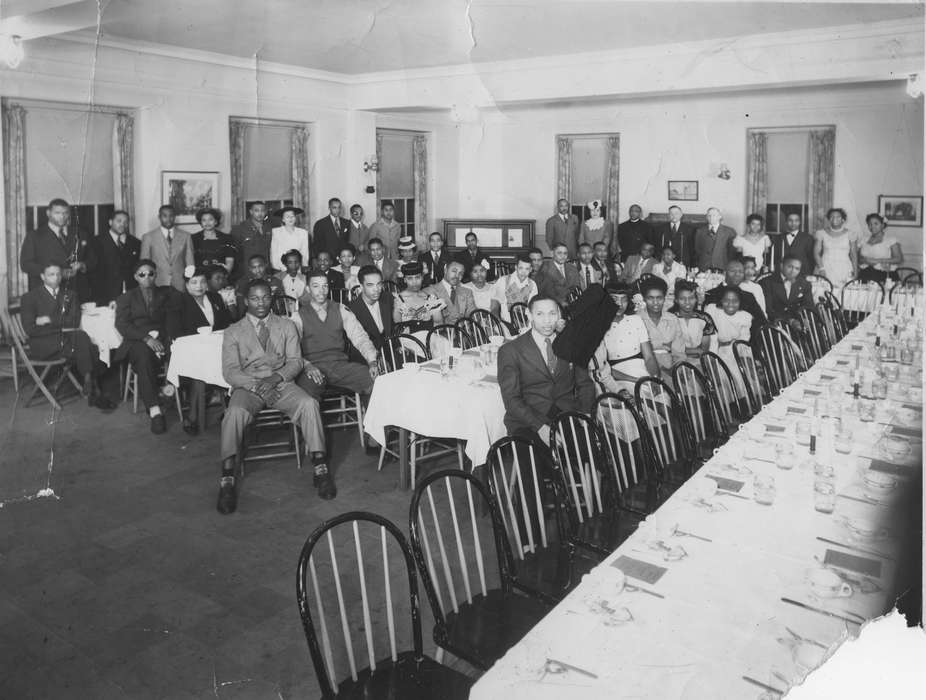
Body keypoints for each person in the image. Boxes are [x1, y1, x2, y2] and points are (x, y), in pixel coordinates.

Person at [218, 279, 330, 514]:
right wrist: (256, 384)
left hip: (280, 383)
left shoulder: (286, 325)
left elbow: (295, 361)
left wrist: (275, 379)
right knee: (234, 413)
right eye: (255, 298)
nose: (261, 303)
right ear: (246, 300)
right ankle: (227, 477)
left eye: (266, 297)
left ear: (272, 298)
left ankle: (320, 467)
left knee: (309, 404)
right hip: (249, 387)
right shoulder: (233, 331)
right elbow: (230, 371)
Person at [497, 295, 595, 444]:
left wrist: (586, 413)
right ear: (529, 315)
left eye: (552, 313)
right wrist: (540, 428)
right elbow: (511, 399)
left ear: (559, 314)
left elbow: (585, 384)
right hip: (528, 421)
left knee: (594, 452)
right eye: (540, 314)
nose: (547, 321)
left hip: (566, 414)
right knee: (540, 462)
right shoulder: (510, 350)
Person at [19, 262, 115, 410]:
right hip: (43, 344)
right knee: (87, 343)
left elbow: (75, 321)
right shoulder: (30, 297)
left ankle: (91, 385)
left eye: (58, 274)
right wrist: (60, 324)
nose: (56, 278)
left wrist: (49, 320)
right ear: (43, 277)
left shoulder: (70, 295)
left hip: (66, 339)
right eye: (51, 274)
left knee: (82, 337)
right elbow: (30, 329)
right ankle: (92, 385)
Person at [167, 265, 233, 434]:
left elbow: (226, 322)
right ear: (187, 285)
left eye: (203, 282)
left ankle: (230, 409)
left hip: (217, 348)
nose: (199, 286)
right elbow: (174, 331)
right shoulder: (179, 302)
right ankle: (194, 417)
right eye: (194, 282)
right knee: (199, 374)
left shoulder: (215, 297)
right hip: (192, 352)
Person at [295, 271, 379, 405]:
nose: (321, 291)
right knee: (306, 396)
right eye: (316, 286)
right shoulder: (297, 316)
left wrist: (372, 361)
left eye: (325, 286)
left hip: (340, 366)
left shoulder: (340, 309)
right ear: (308, 289)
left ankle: (372, 425)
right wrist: (307, 366)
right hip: (312, 368)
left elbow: (360, 337)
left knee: (377, 380)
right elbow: (291, 351)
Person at [113, 259, 173, 434]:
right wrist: (147, 338)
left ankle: (179, 398)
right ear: (136, 277)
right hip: (137, 341)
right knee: (144, 357)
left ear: (156, 275)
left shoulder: (166, 293)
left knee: (182, 351)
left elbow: (172, 319)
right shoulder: (126, 298)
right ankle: (155, 410)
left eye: (151, 274)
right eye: (142, 274)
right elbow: (122, 325)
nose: (147, 278)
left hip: (162, 338)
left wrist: (164, 338)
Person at [592, 282, 660, 394]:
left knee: (664, 399)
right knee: (642, 400)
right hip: (617, 377)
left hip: (643, 370)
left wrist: (655, 379)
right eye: (614, 299)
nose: (620, 304)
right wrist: (636, 380)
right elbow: (603, 369)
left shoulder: (636, 320)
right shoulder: (599, 327)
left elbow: (649, 357)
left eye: (624, 299)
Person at [20, 198, 92, 301]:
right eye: (57, 213)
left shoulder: (80, 233)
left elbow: (93, 259)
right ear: (48, 213)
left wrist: (82, 265)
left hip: (77, 293)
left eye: (65, 213)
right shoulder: (34, 236)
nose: (62, 217)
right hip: (48, 295)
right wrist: (55, 272)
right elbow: (25, 264)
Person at [706, 287, 752, 398]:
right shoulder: (713, 311)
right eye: (726, 300)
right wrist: (713, 361)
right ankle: (728, 408)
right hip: (718, 351)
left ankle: (744, 403)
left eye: (735, 301)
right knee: (722, 376)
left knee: (741, 376)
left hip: (735, 352)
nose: (730, 304)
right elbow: (712, 340)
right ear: (721, 300)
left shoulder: (744, 316)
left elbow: (743, 342)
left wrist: (746, 361)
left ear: (740, 302)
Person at [87, 209, 140, 305]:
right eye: (119, 221)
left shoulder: (135, 243)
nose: (122, 224)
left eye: (125, 222)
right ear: (110, 222)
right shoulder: (96, 242)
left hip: (130, 294)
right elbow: (92, 268)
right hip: (104, 294)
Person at [703, 258, 767, 336]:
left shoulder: (748, 297)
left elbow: (761, 323)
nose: (737, 274)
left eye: (740, 272)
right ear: (725, 273)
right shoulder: (712, 294)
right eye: (733, 271)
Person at [639, 277, 685, 381]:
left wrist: (677, 368)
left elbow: (679, 351)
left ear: (664, 298)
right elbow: (639, 352)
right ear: (644, 299)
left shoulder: (672, 319)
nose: (655, 302)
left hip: (671, 364)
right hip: (646, 366)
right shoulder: (637, 320)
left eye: (659, 298)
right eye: (650, 298)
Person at [140, 205, 195, 292]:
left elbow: (190, 262)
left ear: (175, 217)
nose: (168, 219)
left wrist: (189, 281)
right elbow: (144, 264)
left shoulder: (186, 236)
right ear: (159, 217)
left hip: (180, 283)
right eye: (164, 216)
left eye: (171, 215)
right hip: (157, 282)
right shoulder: (148, 237)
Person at [760, 254, 814, 333]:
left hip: (798, 324)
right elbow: (768, 310)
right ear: (781, 266)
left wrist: (805, 319)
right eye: (790, 267)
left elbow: (809, 306)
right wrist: (790, 321)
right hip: (775, 325)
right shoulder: (767, 283)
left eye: (797, 268)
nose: (793, 271)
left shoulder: (804, 284)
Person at [349, 265, 394, 351]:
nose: (376, 289)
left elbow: (393, 327)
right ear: (361, 286)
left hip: (390, 351)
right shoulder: (352, 310)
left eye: (379, 284)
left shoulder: (388, 298)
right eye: (370, 285)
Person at [813, 207, 859, 289]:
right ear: (828, 219)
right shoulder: (821, 233)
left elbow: (853, 255)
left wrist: (855, 273)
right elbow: (816, 253)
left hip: (844, 267)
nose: (835, 219)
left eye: (838, 217)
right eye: (832, 217)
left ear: (843, 219)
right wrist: (821, 268)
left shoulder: (851, 234)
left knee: (844, 294)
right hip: (825, 266)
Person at [671, 281, 715, 359]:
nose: (687, 302)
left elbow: (704, 349)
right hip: (675, 362)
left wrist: (687, 351)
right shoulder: (670, 319)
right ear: (676, 300)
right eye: (682, 299)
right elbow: (670, 348)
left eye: (691, 298)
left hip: (698, 361)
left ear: (696, 299)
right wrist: (694, 351)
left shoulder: (704, 318)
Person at [230, 201, 273, 281]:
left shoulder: (269, 228)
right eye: (256, 210)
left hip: (265, 270)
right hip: (246, 271)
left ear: (266, 212)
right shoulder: (240, 228)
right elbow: (234, 253)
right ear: (251, 212)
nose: (260, 213)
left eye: (262, 210)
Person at [423, 260, 476, 324]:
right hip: (441, 333)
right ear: (445, 269)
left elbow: (473, 315)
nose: (457, 276)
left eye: (461, 273)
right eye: (454, 271)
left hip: (464, 332)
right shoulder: (428, 292)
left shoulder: (467, 292)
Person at [858, 213, 904, 283]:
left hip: (884, 274)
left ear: (882, 225)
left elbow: (898, 259)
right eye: (870, 224)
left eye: (876, 224)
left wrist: (876, 261)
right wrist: (865, 261)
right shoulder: (863, 240)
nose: (872, 226)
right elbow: (856, 256)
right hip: (865, 274)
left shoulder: (891, 240)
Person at [394, 262, 440, 329]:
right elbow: (397, 327)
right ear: (405, 280)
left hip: (428, 336)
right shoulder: (398, 300)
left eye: (417, 277)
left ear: (422, 278)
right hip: (408, 338)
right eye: (410, 278)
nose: (414, 282)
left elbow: (439, 324)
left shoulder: (430, 298)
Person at [191, 208, 237, 274]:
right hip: (200, 276)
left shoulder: (227, 238)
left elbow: (229, 261)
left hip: (220, 276)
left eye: (210, 219)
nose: (207, 223)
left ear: (216, 221)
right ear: (200, 222)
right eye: (204, 220)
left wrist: (224, 275)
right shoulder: (193, 238)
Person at [498, 254, 539, 323]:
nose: (523, 272)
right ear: (516, 267)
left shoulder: (532, 284)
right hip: (505, 320)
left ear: (531, 270)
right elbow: (502, 305)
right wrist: (510, 323)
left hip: (523, 320)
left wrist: (528, 323)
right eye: (521, 268)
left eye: (527, 269)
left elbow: (531, 307)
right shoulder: (503, 280)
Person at [270, 206, 310, 272]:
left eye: (292, 216)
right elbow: (274, 253)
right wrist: (279, 269)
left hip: (297, 269)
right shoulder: (276, 232)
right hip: (281, 269)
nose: (290, 219)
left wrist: (302, 268)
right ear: (283, 219)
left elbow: (304, 253)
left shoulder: (303, 233)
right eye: (287, 217)